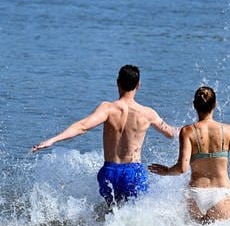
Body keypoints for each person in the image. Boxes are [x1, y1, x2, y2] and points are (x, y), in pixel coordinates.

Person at [33, 65, 177, 209]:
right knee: (136, 214)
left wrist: (53, 140)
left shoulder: (108, 109)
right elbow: (170, 133)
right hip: (133, 173)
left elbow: (82, 126)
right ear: (138, 85)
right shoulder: (147, 113)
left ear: (117, 83)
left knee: (113, 214)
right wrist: (194, 127)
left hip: (109, 172)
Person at [148, 86, 230, 223]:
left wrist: (167, 171)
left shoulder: (187, 131)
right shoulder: (228, 131)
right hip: (221, 195)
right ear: (215, 104)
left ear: (194, 105)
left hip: (195, 194)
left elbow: (182, 168)